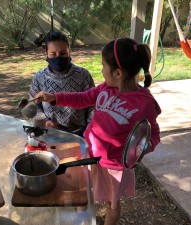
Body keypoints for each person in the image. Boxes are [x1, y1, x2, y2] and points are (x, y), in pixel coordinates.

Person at [33, 38, 161, 225]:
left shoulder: (145, 103)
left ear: (117, 73)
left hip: (114, 166)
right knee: (81, 191)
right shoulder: (105, 88)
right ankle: (82, 219)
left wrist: (141, 149)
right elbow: (83, 98)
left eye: (103, 66)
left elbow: (153, 135)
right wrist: (54, 97)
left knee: (112, 203)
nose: (101, 71)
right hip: (89, 154)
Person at [29, 31, 95, 136]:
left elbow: (93, 107)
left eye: (63, 53)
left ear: (70, 51)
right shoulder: (39, 78)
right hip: (50, 133)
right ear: (46, 53)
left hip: (80, 134)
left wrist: (89, 132)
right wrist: (45, 121)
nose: (58, 57)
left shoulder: (83, 75)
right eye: (53, 54)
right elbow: (33, 106)